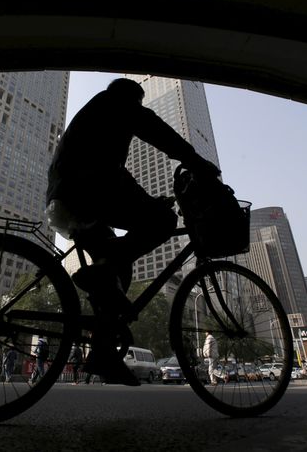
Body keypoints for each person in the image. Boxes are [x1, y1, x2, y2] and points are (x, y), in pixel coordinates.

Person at [46, 78, 219, 385]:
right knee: (164, 222)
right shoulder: (114, 104)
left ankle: (102, 354)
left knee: (115, 274)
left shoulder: (97, 121)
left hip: (67, 197)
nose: (139, 106)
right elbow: (159, 132)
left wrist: (151, 202)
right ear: (129, 97)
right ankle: (106, 275)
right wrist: (197, 162)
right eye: (138, 101)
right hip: (89, 187)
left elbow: (121, 177)